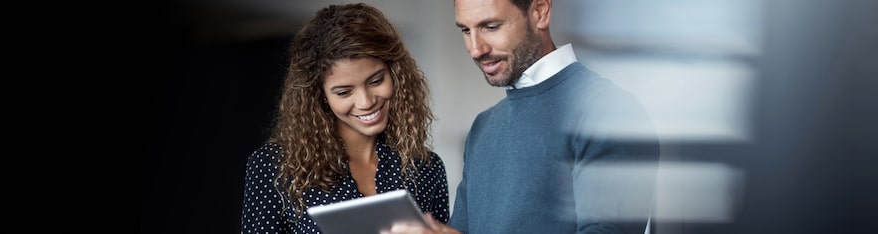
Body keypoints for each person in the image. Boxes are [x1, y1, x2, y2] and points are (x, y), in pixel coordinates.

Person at [390, 0, 660, 233]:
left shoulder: (610, 111)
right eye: (465, 30)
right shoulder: (483, 127)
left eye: (491, 27)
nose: (475, 48)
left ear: (540, 11)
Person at [240, 3, 451, 234]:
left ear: (396, 73)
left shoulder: (426, 167)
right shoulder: (273, 167)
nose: (366, 101)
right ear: (319, 96)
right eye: (344, 92)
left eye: (376, 81)